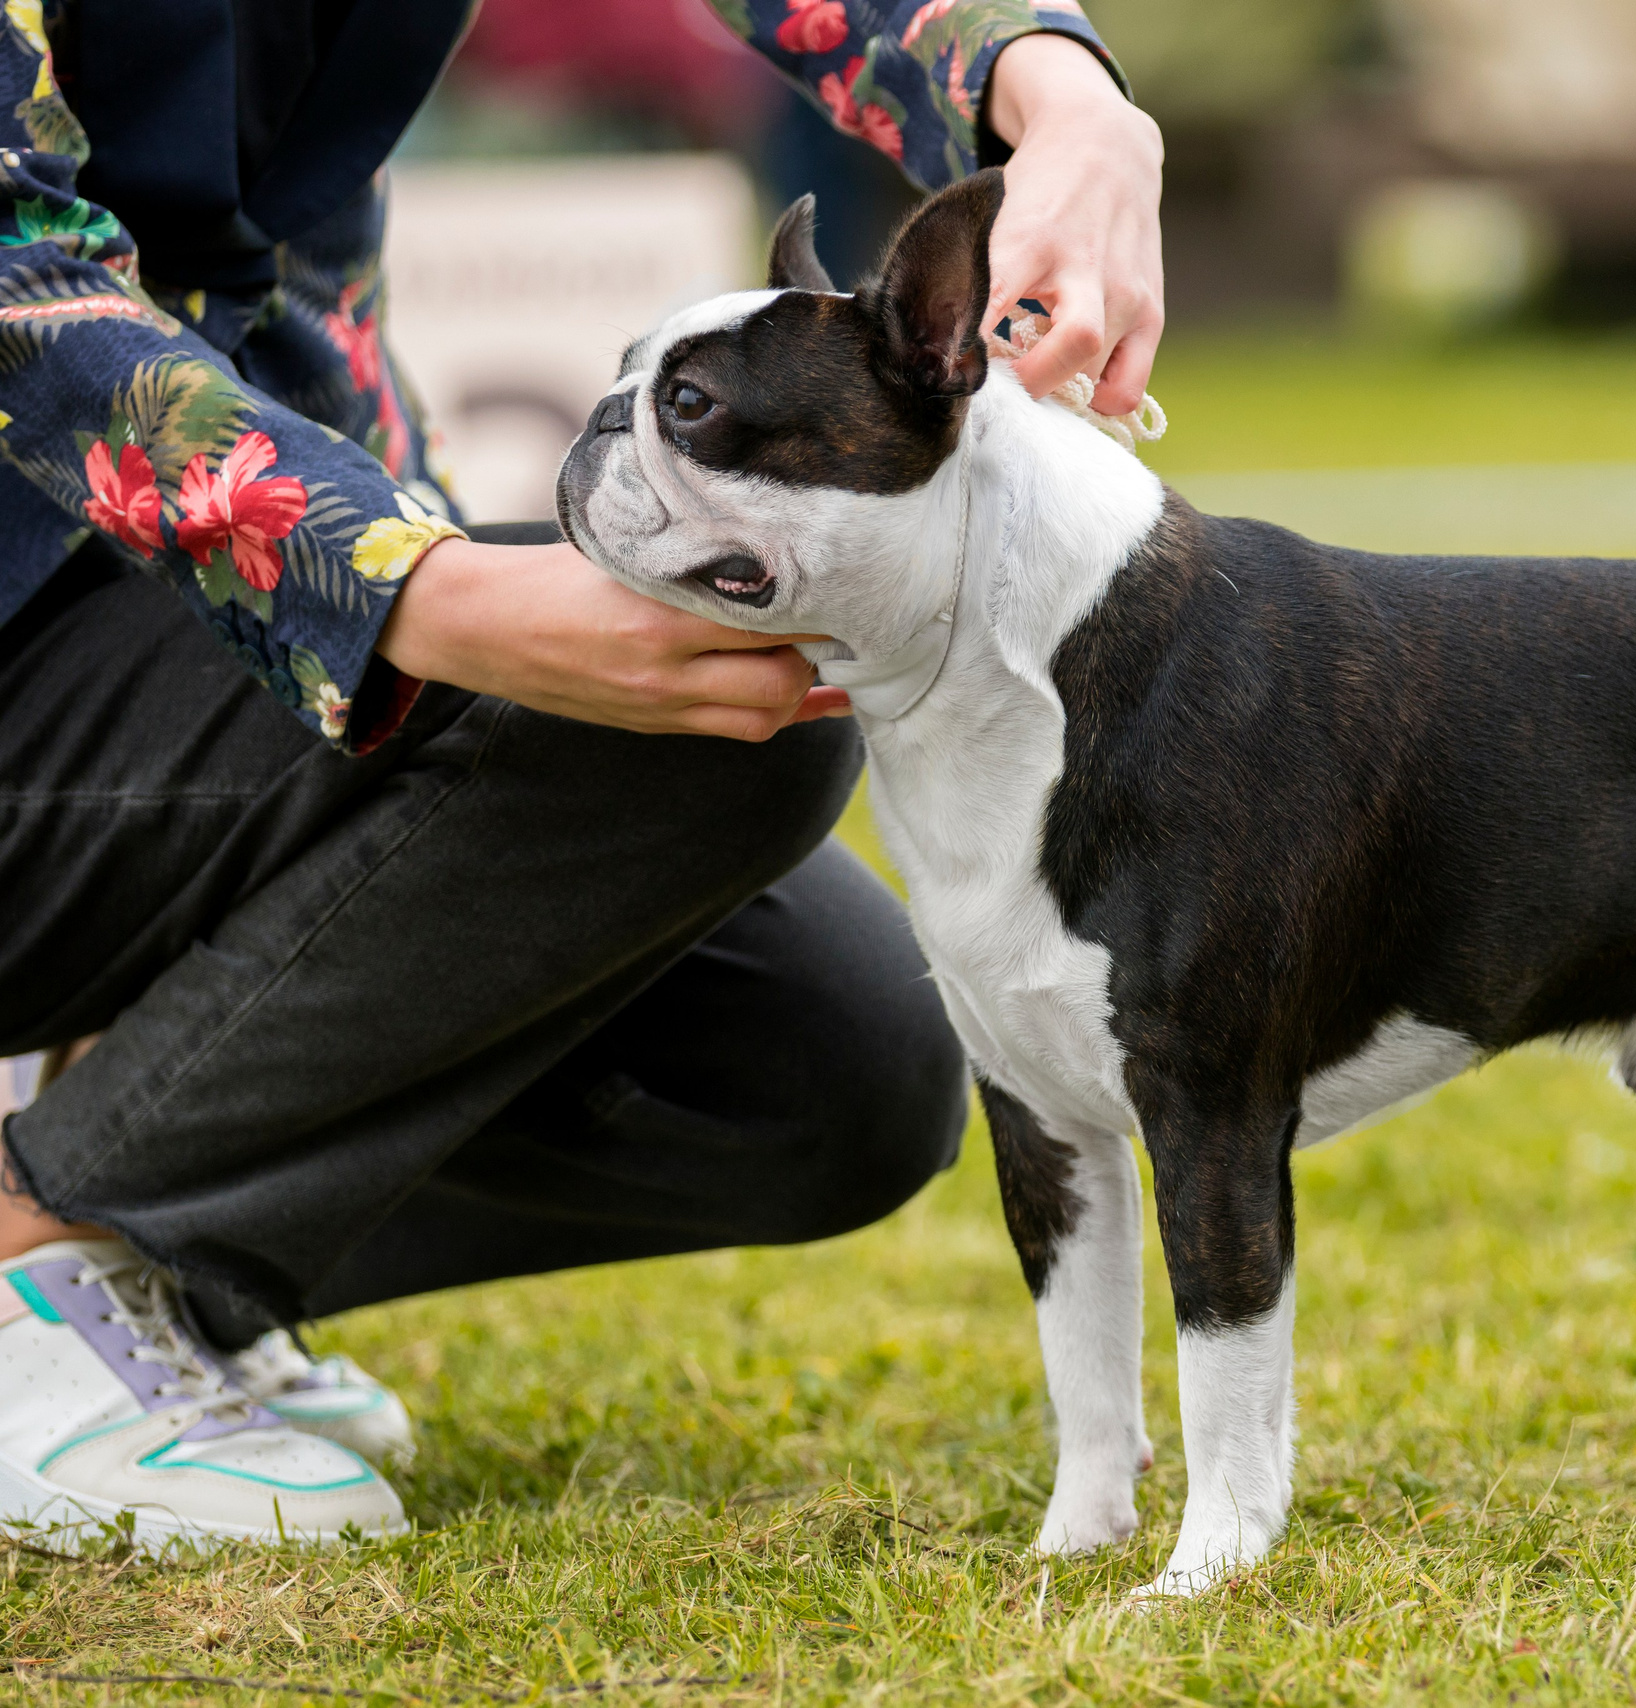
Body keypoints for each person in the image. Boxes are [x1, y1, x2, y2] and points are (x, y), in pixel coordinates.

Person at [0, 0, 1163, 1550]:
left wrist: (1058, 89)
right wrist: (417, 594)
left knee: (837, 1062)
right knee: (666, 737)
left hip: (175, 606)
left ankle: (166, 1251)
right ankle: (38, 1271)